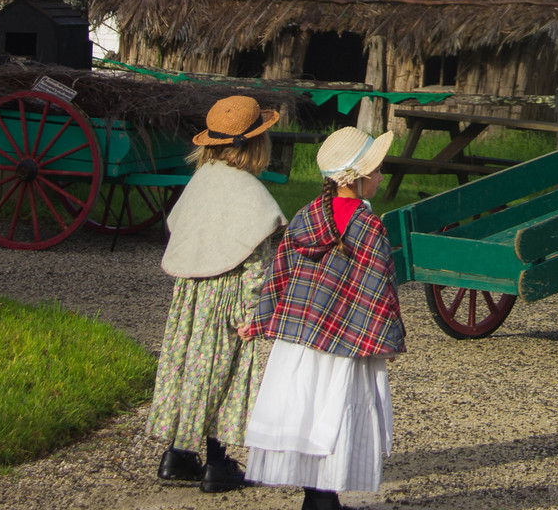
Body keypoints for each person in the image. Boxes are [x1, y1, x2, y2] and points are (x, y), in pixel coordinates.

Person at [244, 126, 406, 510]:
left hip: (301, 340)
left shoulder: (306, 216)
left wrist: (262, 318)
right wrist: (387, 339)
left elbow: (279, 272)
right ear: (360, 177)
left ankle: (316, 497)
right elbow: (379, 286)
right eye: (378, 170)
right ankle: (325, 499)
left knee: (305, 410)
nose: (381, 177)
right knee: (336, 410)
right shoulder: (368, 226)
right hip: (347, 343)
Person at [146, 95, 286, 492]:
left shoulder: (198, 184)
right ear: (258, 144)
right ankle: (217, 462)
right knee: (225, 373)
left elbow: (181, 232)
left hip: (191, 296)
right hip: (228, 297)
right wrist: (253, 312)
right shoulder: (251, 195)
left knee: (191, 368)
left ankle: (177, 454)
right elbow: (257, 264)